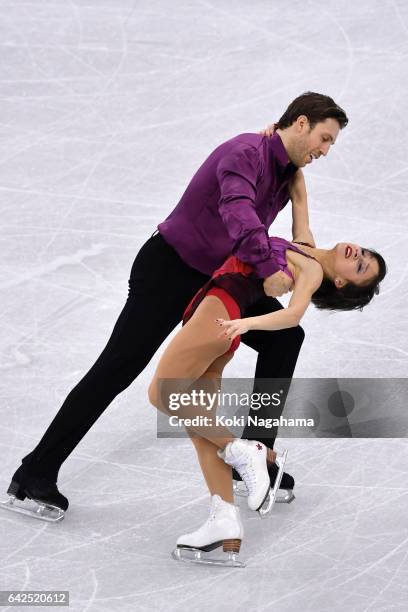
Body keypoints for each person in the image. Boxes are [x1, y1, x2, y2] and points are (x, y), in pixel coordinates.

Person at [1, 92, 348, 523]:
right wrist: (267, 269)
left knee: (285, 337)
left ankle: (258, 454)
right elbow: (238, 216)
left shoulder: (285, 170)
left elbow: (294, 231)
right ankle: (34, 473)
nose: (325, 150)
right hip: (169, 271)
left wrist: (296, 191)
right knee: (118, 367)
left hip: (217, 280)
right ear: (300, 123)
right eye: (325, 138)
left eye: (332, 143)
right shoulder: (243, 154)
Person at [148, 234, 387, 566]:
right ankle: (224, 521)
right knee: (202, 427)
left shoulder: (314, 272)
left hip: (223, 308)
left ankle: (252, 450)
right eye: (364, 252)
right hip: (224, 318)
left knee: (161, 393)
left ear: (341, 281)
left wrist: (246, 323)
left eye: (360, 266)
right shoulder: (305, 243)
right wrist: (290, 179)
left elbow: (292, 317)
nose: (357, 253)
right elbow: (297, 193)